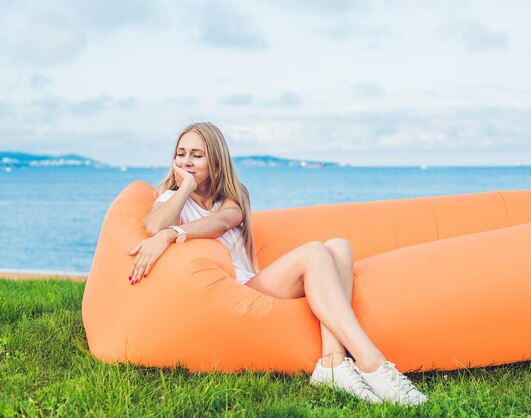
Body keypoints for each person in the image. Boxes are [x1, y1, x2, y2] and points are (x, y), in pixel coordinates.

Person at [127, 122, 428, 405]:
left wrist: (175, 232)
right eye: (181, 154)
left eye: (196, 155)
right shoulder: (172, 196)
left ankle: (333, 363)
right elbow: (154, 225)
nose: (186, 162)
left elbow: (221, 222)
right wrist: (184, 190)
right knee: (313, 253)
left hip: (252, 286)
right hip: (229, 296)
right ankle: (371, 361)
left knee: (339, 246)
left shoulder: (233, 196)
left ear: (216, 161)